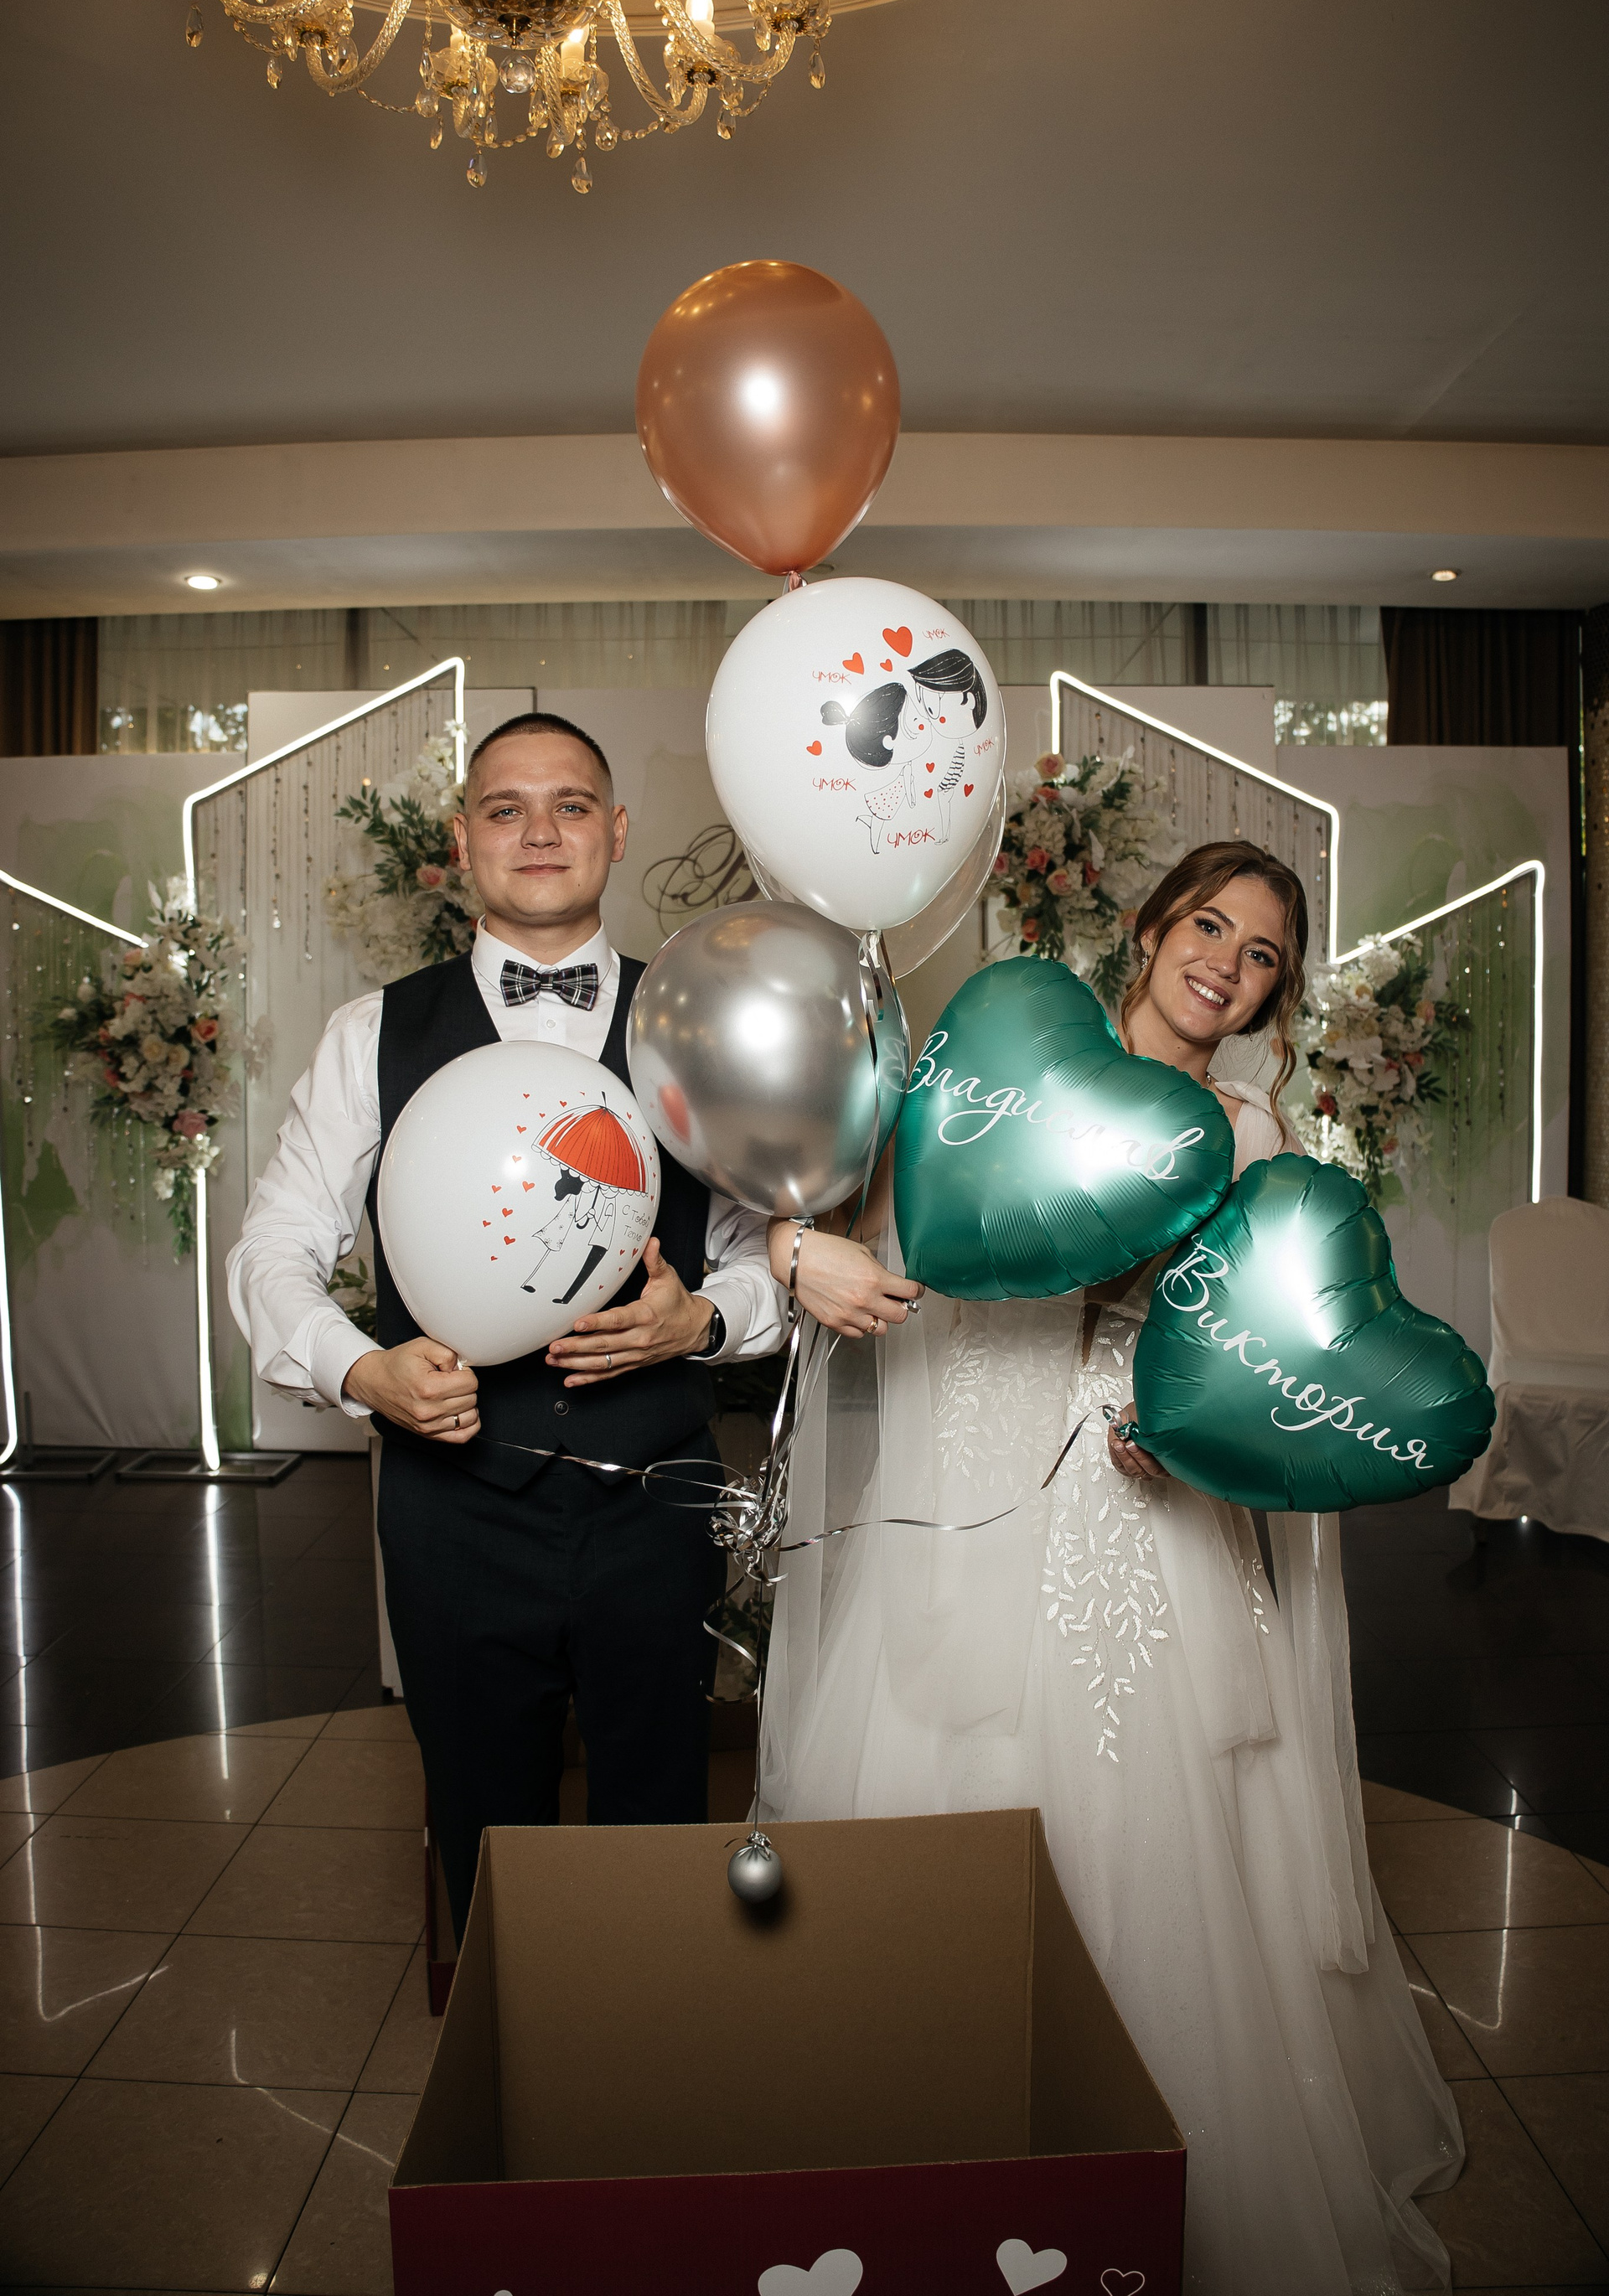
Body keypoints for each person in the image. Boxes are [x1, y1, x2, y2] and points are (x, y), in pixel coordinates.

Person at [762, 843, 1464, 2296]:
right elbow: (873, 1227)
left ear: (1275, 992)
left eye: (1262, 955)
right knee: (945, 1793)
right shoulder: (1008, 1065)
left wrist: (1198, 1443)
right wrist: (791, 1243)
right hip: (967, 1475)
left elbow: (1266, 1367)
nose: (1227, 964)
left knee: (1152, 1827)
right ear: (1147, 930)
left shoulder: (1254, 1138)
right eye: (1208, 925)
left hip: (1137, 1514)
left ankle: (1134, 2178)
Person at [227, 712, 790, 1937]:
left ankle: (650, 2042)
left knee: (660, 1817)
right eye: (505, 807)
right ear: (462, 839)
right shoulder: (372, 1034)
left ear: (617, 831)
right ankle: (512, 2044)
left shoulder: (700, 1027)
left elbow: (768, 1258)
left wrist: (700, 1321)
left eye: (571, 804)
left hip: (659, 1495)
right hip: (454, 1508)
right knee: (484, 1826)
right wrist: (362, 1370)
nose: (540, 831)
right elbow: (272, 1247)